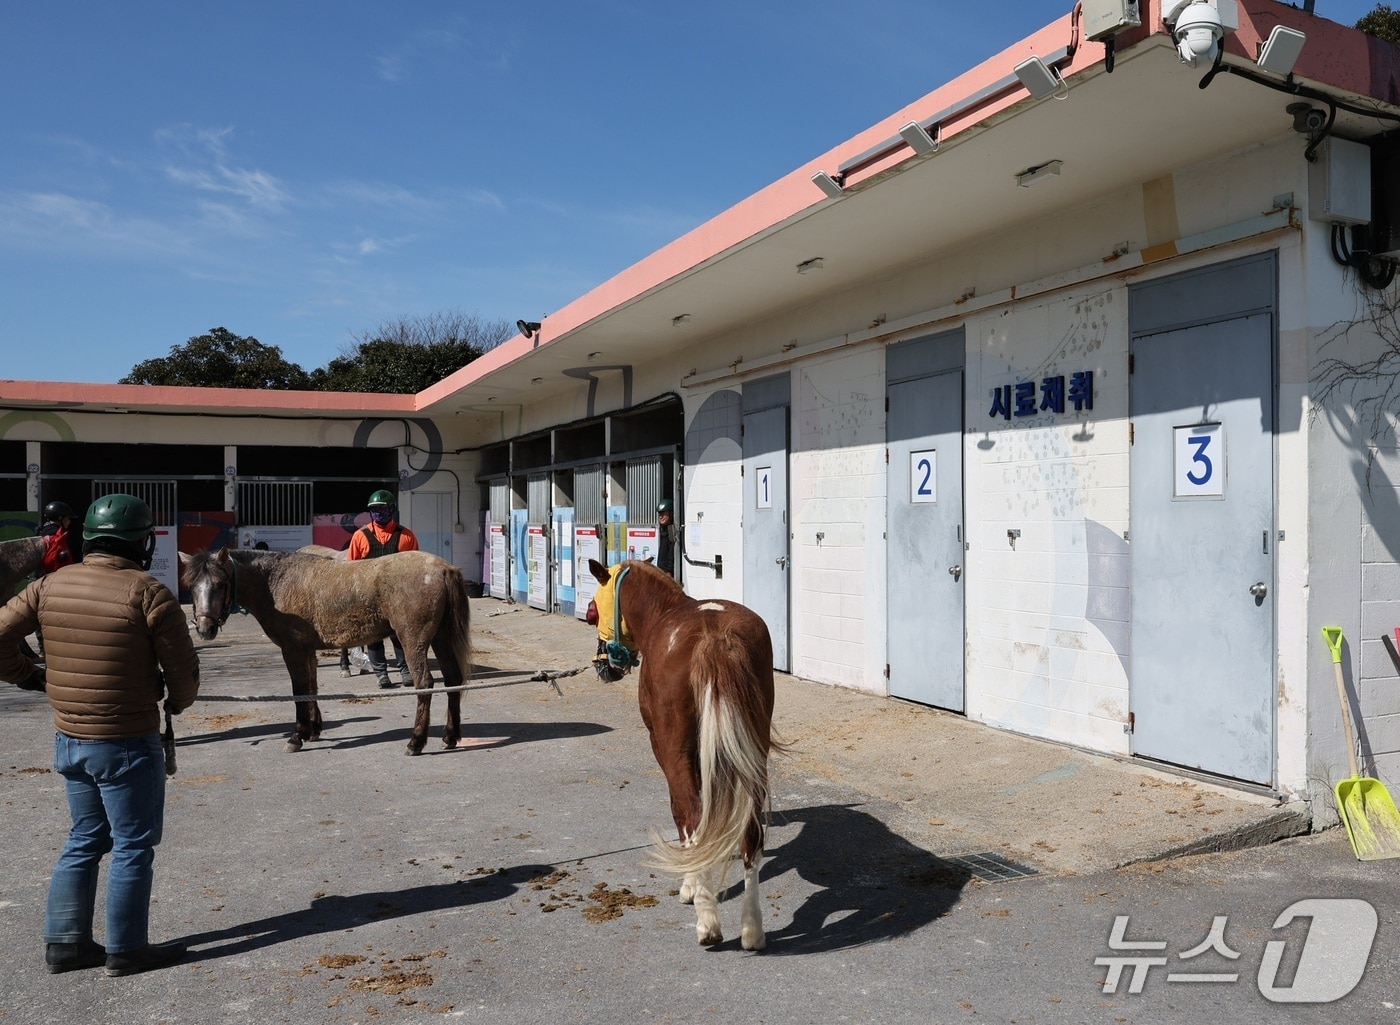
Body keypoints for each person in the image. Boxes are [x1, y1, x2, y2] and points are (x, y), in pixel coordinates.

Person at [0, 494, 200, 977]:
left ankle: (65, 946)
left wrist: (30, 676)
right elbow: (184, 679)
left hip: (70, 739)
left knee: (85, 838)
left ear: (88, 537)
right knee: (132, 845)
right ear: (142, 542)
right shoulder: (149, 592)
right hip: (128, 740)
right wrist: (173, 700)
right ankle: (128, 949)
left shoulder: (48, 585)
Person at [346, 489, 418, 689]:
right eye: (374, 510)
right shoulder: (360, 536)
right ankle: (381, 674)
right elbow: (351, 568)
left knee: (400, 634)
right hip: (370, 597)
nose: (378, 513)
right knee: (373, 636)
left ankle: (405, 671)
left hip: (399, 596)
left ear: (392, 509)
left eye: (382, 509)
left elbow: (414, 567)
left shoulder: (406, 536)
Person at [656, 498, 676, 576]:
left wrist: (669, 571)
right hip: (661, 571)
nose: (660, 517)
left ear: (671, 514)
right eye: (659, 514)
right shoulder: (663, 531)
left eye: (663, 514)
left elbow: (672, 552)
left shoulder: (672, 531)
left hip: (668, 573)